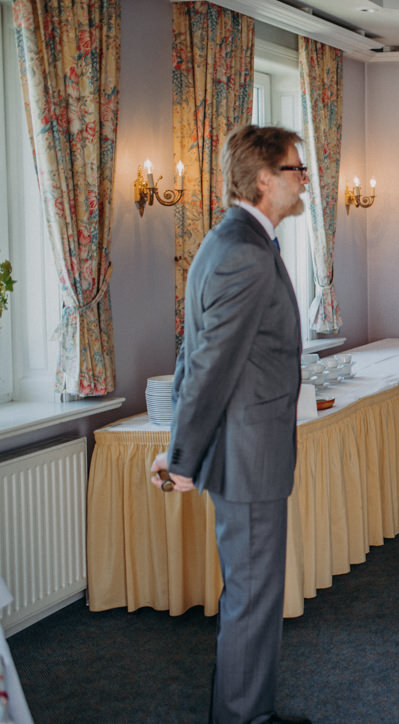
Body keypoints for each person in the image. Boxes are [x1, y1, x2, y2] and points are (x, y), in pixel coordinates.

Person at [151, 124, 309, 724]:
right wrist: (182, 458)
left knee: (254, 598)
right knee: (251, 599)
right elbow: (209, 364)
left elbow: (196, 355)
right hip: (247, 458)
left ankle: (248, 712)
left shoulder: (241, 240)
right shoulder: (243, 250)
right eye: (297, 170)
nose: (305, 182)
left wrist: (182, 450)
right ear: (265, 178)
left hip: (247, 451)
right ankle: (244, 719)